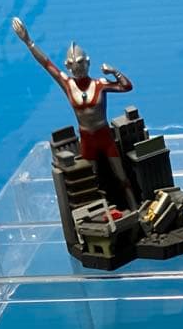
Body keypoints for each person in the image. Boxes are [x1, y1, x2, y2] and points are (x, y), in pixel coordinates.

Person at [12, 17, 137, 208]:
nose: (77, 67)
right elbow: (47, 64)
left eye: (80, 62)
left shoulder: (100, 84)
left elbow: (127, 87)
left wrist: (114, 71)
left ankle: (134, 208)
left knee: (122, 177)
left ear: (87, 62)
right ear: (67, 65)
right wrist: (29, 42)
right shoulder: (68, 84)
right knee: (90, 181)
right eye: (72, 64)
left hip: (104, 136)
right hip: (87, 139)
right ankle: (100, 214)